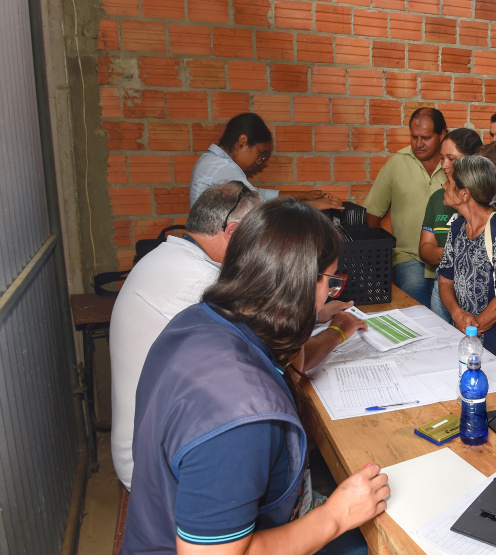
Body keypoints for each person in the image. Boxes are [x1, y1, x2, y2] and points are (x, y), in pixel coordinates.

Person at [122, 199, 388, 553]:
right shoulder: (240, 413)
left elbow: (295, 357)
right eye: (330, 281)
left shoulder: (198, 319)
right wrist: (337, 515)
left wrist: (314, 320)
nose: (330, 293)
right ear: (299, 283)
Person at [438, 156, 496, 360]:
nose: (443, 185)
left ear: (465, 194)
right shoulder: (458, 227)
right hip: (463, 337)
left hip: (495, 346)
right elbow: (445, 281)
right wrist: (457, 313)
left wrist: (472, 330)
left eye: (449, 182)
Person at [365, 108, 448, 306]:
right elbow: (372, 214)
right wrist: (374, 264)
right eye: (414, 137)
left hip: (448, 258)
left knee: (446, 320)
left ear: (442, 134)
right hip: (409, 257)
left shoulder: (454, 165)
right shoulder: (396, 164)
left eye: (426, 137)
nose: (418, 144)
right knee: (416, 313)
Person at [189, 112, 341, 209]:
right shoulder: (223, 168)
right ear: (242, 142)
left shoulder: (212, 161)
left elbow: (256, 194)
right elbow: (260, 208)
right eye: (261, 154)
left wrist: (302, 194)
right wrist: (315, 205)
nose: (259, 161)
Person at [419, 128, 482, 322]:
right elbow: (425, 249)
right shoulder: (439, 198)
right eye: (442, 158)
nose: (445, 165)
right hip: (444, 278)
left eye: (452, 158)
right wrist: (450, 253)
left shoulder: (485, 201)